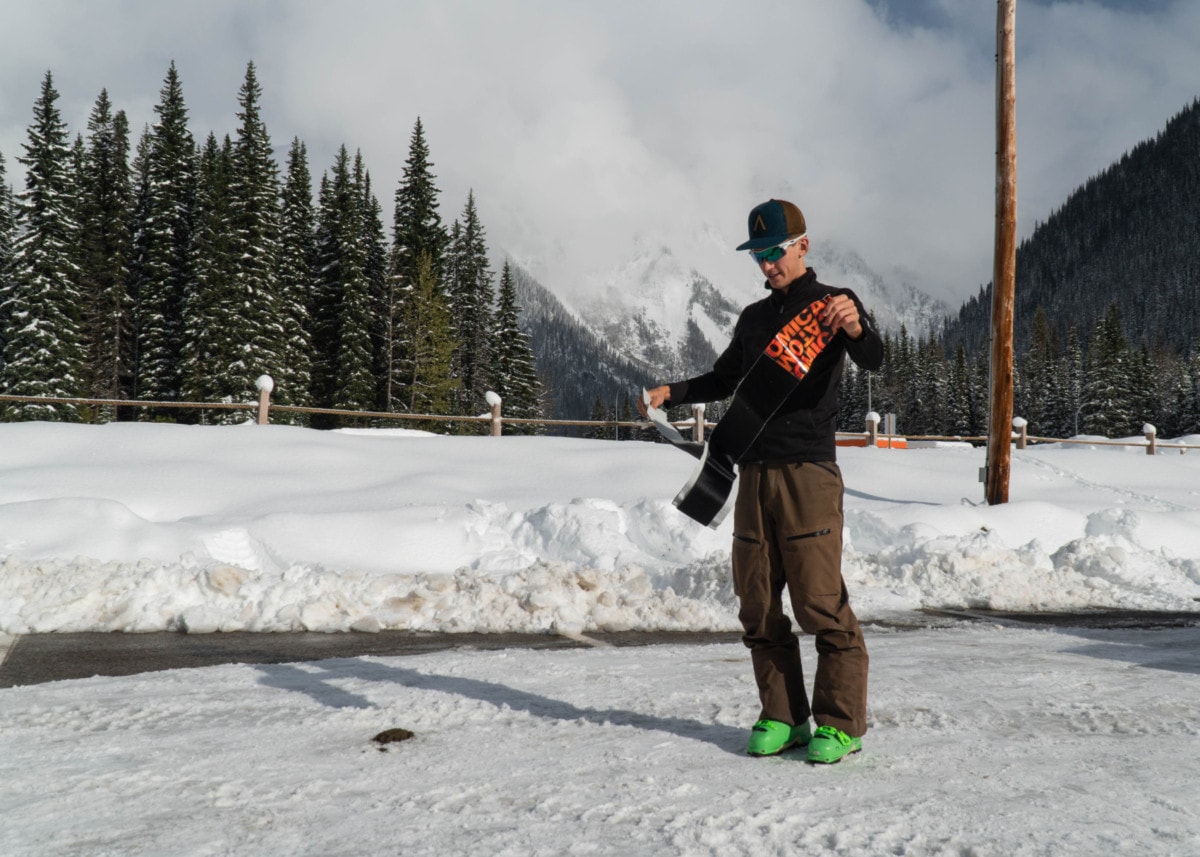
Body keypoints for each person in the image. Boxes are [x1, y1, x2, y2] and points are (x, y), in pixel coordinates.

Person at [637, 198, 882, 764]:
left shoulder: (831, 306)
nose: (767, 265)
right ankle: (784, 715)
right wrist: (672, 392)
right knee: (758, 602)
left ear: (802, 245)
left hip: (809, 473)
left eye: (774, 253)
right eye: (759, 256)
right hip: (753, 472)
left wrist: (856, 325)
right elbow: (725, 378)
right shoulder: (752, 319)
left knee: (819, 601)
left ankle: (841, 723)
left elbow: (872, 356)